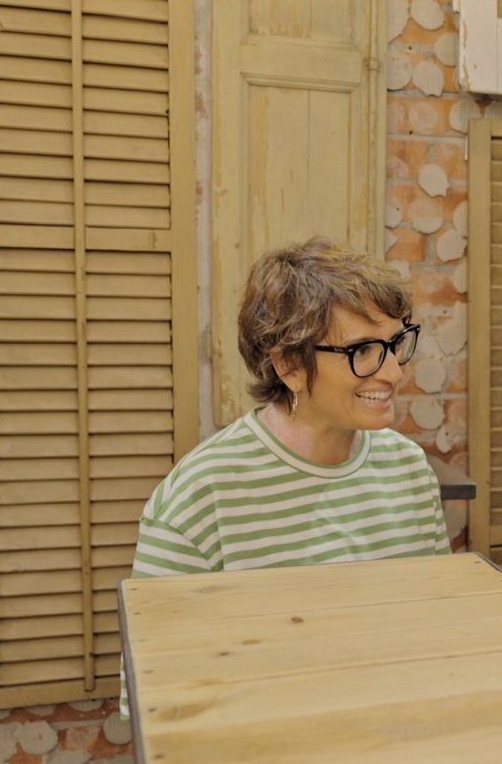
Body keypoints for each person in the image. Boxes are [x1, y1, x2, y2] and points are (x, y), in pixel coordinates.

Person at [121, 237, 450, 715]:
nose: (395, 372)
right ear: (290, 365)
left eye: (397, 344)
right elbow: (153, 700)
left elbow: (438, 628)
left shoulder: (407, 468)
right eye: (363, 350)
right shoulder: (200, 496)